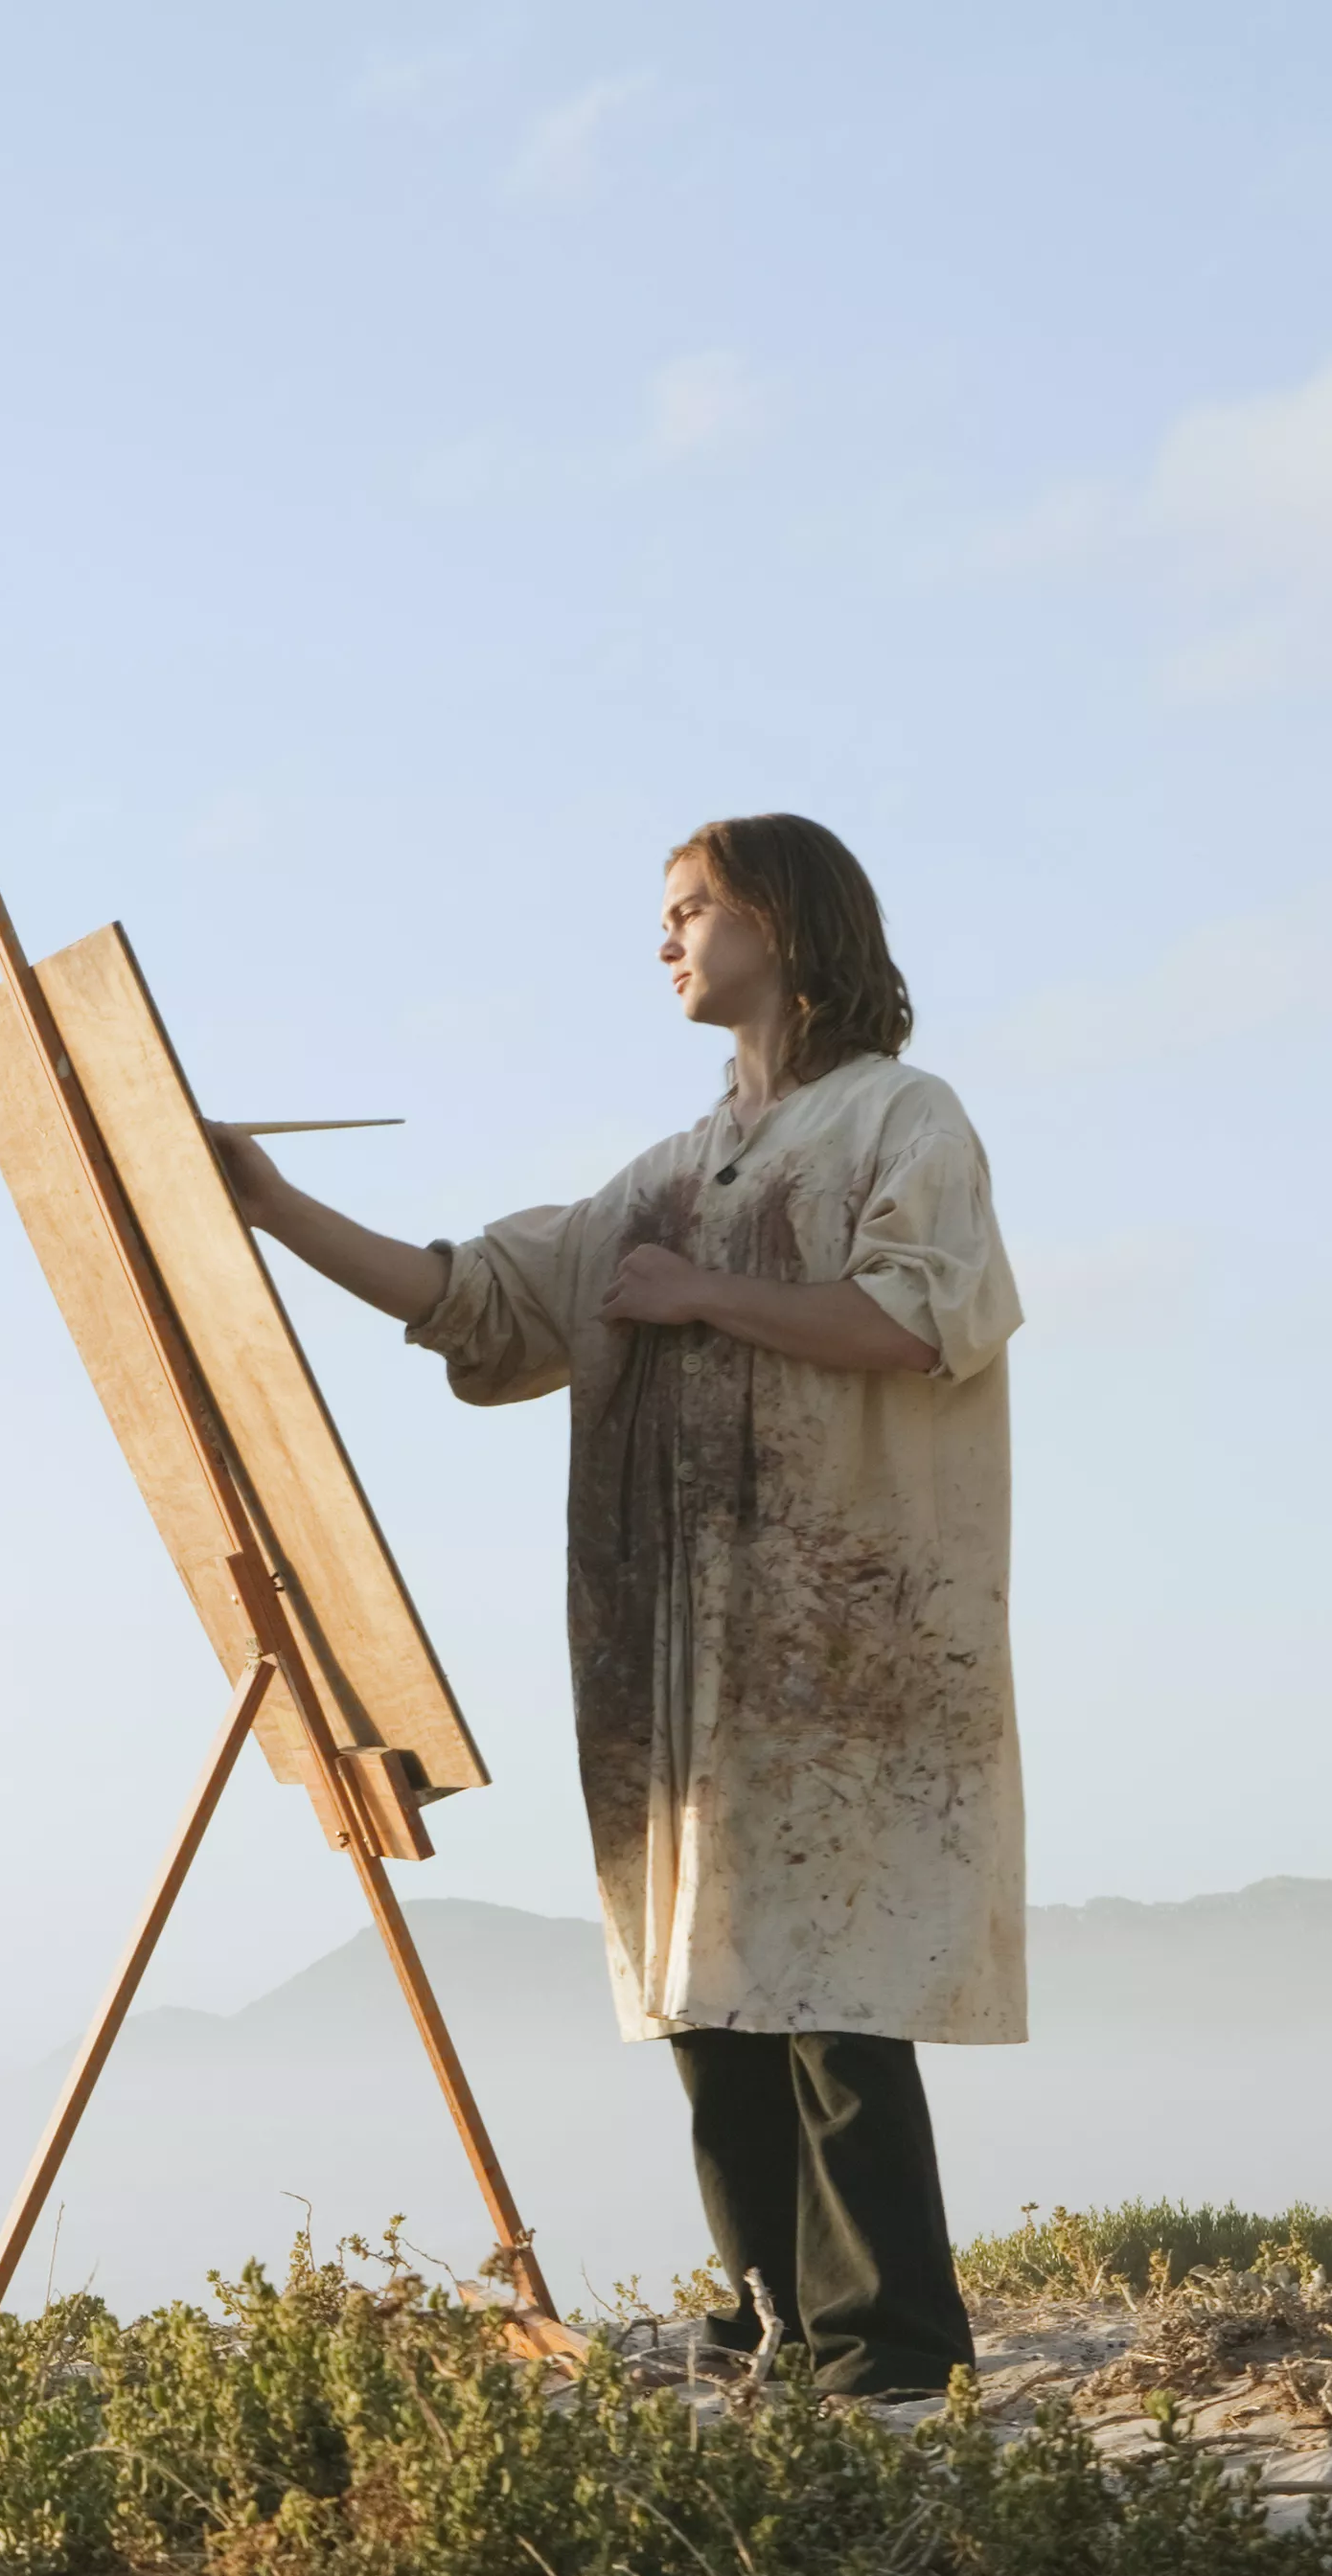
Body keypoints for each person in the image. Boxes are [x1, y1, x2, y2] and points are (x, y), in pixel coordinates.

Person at [214, 816, 1020, 2397]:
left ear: (781, 921)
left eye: (691, 908)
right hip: (676, 1643)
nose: (663, 939)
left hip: (843, 1632)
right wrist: (270, 1205)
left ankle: (893, 2349)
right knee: (712, 1993)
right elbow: (478, 1296)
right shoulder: (659, 1175)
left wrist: (702, 1293)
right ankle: (771, 2323)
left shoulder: (899, 1119)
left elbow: (926, 1321)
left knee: (834, 1990)